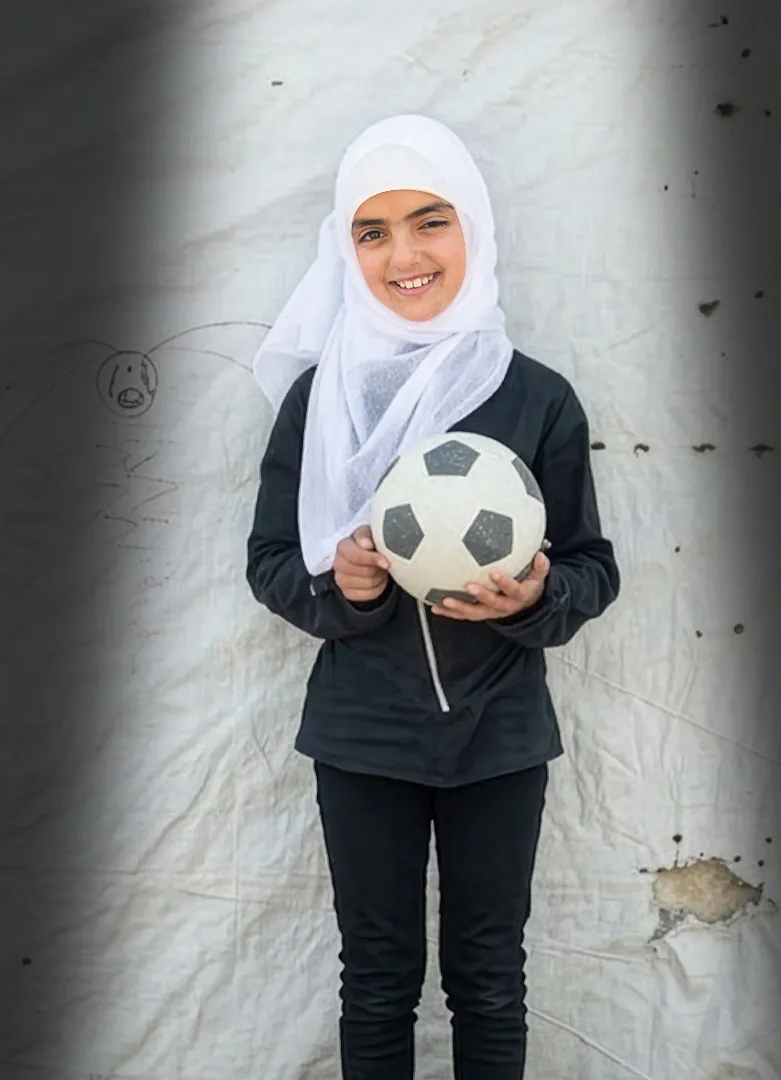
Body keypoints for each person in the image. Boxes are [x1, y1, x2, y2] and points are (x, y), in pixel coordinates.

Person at [245, 113, 620, 1080]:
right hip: (362, 738)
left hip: (500, 738)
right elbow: (272, 562)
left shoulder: (535, 398)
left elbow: (591, 566)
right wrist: (350, 588)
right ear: (345, 249)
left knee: (489, 978)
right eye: (372, 232)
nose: (404, 255)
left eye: (430, 221)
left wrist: (533, 602)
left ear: (475, 229)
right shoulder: (321, 401)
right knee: (376, 978)